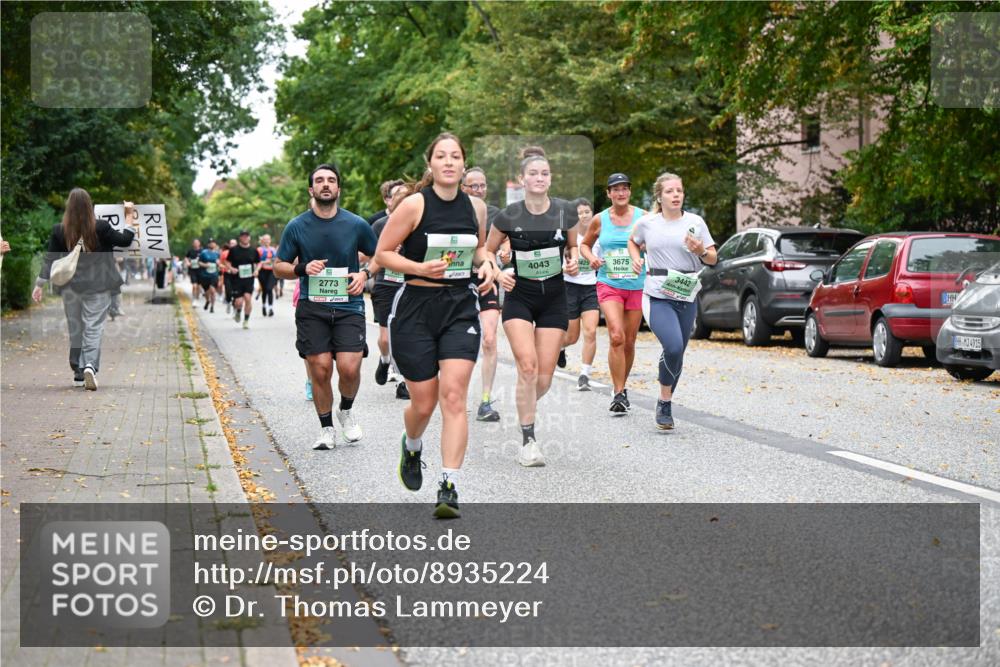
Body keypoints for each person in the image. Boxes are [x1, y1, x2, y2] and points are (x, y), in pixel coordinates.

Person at [376, 132, 497, 518]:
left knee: (455, 397)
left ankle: (449, 485)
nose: (448, 162)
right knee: (424, 404)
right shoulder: (414, 205)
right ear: (431, 165)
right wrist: (418, 268)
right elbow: (382, 254)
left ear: (463, 165)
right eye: (441, 156)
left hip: (460, 305)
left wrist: (487, 262)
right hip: (415, 307)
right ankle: (412, 446)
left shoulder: (475, 207)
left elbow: (477, 246)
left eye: (455, 156)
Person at [274, 164, 377, 450]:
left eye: (331, 180)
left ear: (338, 189)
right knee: (319, 369)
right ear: (311, 189)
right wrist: (303, 267)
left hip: (349, 305)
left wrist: (364, 274)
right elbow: (278, 267)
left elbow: (380, 254)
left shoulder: (356, 224)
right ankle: (326, 428)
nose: (325, 184)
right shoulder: (296, 226)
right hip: (312, 306)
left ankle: (346, 408)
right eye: (319, 180)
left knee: (349, 368)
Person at [487, 147, 579, 467]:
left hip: (554, 298)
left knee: (543, 378)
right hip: (520, 298)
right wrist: (498, 273)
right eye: (533, 173)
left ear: (550, 178)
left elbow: (572, 249)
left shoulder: (566, 211)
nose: (539, 178)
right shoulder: (508, 216)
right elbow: (486, 253)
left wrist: (573, 262)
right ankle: (528, 440)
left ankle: (523, 402)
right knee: (527, 366)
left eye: (545, 173)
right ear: (523, 179)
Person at [629, 172, 717, 429]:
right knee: (674, 347)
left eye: (679, 190)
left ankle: (663, 399)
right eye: (670, 191)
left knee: (677, 353)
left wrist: (700, 250)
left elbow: (713, 257)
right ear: (660, 196)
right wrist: (636, 258)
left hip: (687, 292)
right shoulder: (648, 223)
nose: (676, 195)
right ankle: (665, 403)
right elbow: (633, 242)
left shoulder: (695, 222)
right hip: (657, 293)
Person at [32, 189, 138, 390]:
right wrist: (129, 216)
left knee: (76, 328)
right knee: (93, 327)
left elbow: (50, 259)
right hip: (98, 287)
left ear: (68, 207)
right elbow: (125, 240)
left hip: (70, 288)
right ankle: (89, 364)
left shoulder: (59, 230)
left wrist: (39, 284)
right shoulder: (101, 227)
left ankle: (78, 372)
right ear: (90, 207)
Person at [580, 173, 646, 415]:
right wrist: (592, 258)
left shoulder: (643, 217)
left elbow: (655, 241)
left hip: (637, 285)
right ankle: (618, 393)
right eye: (615, 189)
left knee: (629, 341)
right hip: (609, 283)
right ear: (608, 193)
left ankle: (622, 386)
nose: (620, 193)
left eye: (624, 189)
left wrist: (646, 248)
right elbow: (584, 245)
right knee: (616, 336)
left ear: (629, 192)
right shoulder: (599, 220)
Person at [461, 166, 509, 422]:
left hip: (487, 278)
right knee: (461, 342)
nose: (479, 190)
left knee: (489, 339)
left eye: (482, 186)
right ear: (463, 188)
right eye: (474, 186)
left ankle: (485, 401)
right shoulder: (453, 211)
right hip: (458, 283)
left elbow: (505, 240)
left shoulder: (495, 214)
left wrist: (505, 253)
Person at [369, 181, 411, 400]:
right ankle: (385, 361)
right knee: (386, 339)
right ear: (390, 200)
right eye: (398, 195)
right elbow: (371, 256)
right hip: (386, 284)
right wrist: (386, 253)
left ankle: (403, 380)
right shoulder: (379, 225)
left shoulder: (418, 225)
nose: (402, 199)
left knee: (405, 334)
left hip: (409, 284)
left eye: (407, 195)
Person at [561, 198, 600, 390]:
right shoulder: (569, 238)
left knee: (591, 331)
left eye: (586, 211)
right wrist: (566, 269)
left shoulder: (598, 237)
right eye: (579, 213)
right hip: (570, 288)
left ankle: (584, 374)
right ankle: (560, 348)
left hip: (591, 288)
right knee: (571, 337)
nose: (583, 216)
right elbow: (556, 264)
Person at [224, 230, 259, 328]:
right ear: (240, 238)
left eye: (246, 236)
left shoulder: (253, 250)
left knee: (248, 298)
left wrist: (257, 270)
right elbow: (226, 262)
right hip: (236, 279)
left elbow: (258, 262)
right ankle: (238, 311)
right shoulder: (234, 250)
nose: (245, 238)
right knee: (238, 302)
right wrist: (231, 269)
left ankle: (246, 321)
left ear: (249, 238)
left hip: (249, 279)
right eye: (243, 236)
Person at [198, 239, 221, 312]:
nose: (212, 244)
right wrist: (205, 265)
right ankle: (208, 300)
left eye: (213, 243)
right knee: (207, 292)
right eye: (210, 243)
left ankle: (212, 307)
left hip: (214, 274)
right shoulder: (203, 253)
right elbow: (199, 262)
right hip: (205, 275)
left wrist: (219, 264)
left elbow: (220, 264)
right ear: (208, 245)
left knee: (213, 290)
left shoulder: (217, 254)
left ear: (215, 244)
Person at [257, 234, 278, 316]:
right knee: (264, 290)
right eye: (265, 239)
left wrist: (266, 261)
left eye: (268, 239)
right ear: (262, 241)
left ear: (270, 240)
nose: (267, 241)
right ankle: (263, 306)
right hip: (262, 272)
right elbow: (256, 260)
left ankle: (270, 308)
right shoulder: (259, 250)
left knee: (269, 289)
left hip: (271, 272)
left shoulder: (273, 250)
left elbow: (276, 259)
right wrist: (263, 262)